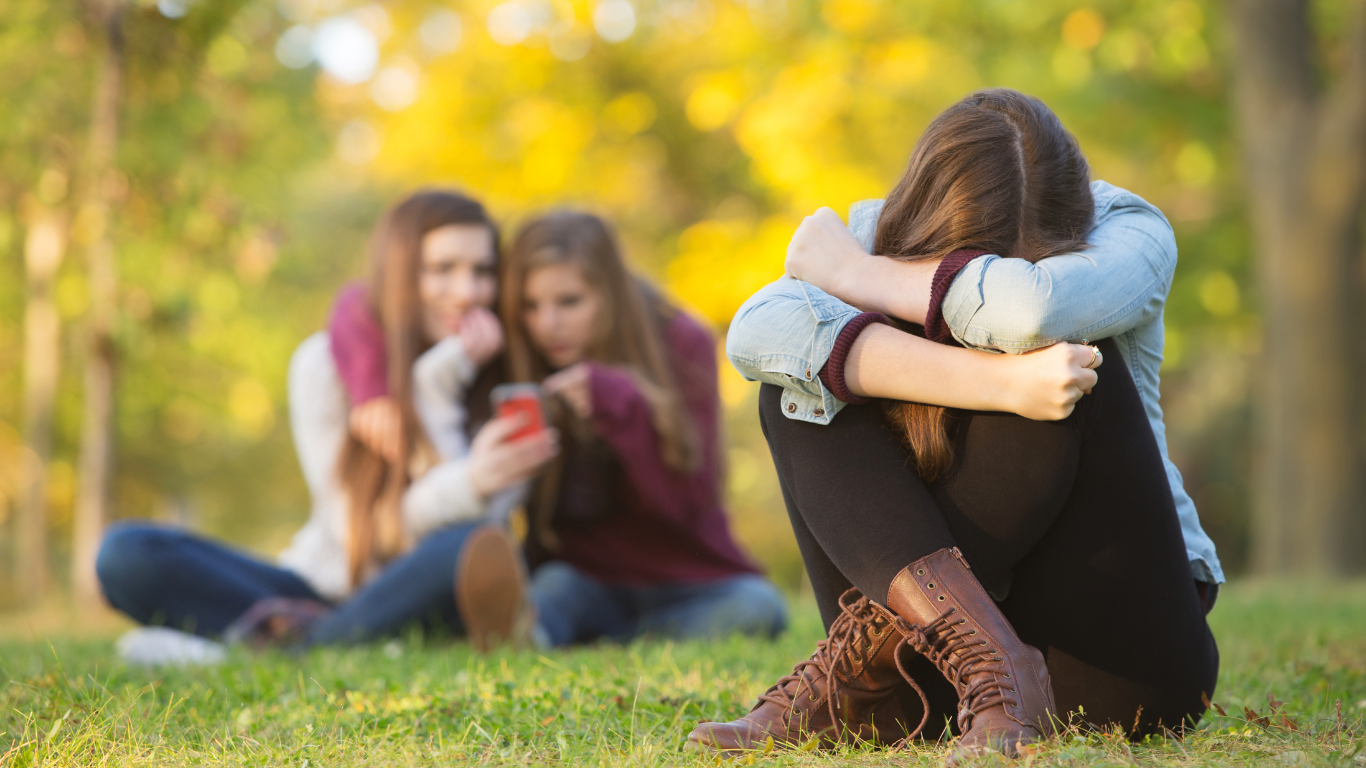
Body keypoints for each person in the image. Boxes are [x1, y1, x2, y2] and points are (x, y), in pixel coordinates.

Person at [689, 89, 1219, 762]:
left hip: (1116, 668)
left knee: (1066, 368)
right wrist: (999, 385)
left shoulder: (1131, 231)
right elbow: (757, 332)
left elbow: (1026, 314)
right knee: (793, 384)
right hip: (928, 671)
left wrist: (861, 278)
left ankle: (916, 676)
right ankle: (977, 664)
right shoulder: (874, 229)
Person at [96, 191, 557, 655]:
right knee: (128, 554)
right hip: (321, 590)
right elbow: (362, 537)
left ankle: (289, 648)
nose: (467, 292)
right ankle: (333, 637)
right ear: (399, 274)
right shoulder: (324, 365)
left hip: (431, 592)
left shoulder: (509, 388)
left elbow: (481, 549)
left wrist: (443, 388)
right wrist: (468, 477)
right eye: (442, 270)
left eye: (482, 271)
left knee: (470, 543)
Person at [498, 211, 787, 646]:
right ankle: (546, 633)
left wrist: (621, 405)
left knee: (759, 607)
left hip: (687, 576)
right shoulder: (521, 349)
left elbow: (690, 501)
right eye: (531, 305)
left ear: (609, 292)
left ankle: (603, 642)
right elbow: (361, 312)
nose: (547, 324)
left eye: (569, 302)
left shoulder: (681, 340)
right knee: (553, 589)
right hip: (583, 577)